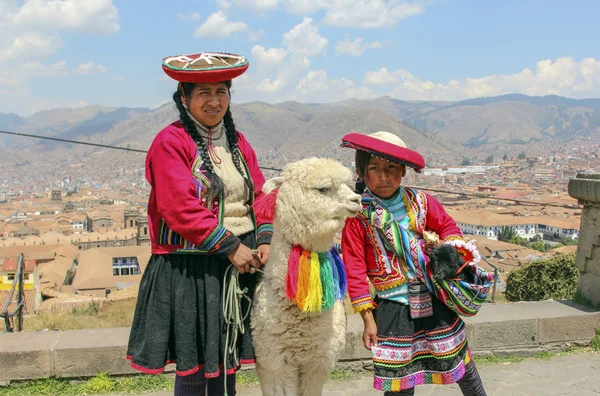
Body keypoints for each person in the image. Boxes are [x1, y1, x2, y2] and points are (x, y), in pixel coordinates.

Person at [127, 52, 272, 396]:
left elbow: (261, 195)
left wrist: (264, 238)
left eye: (221, 92)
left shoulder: (237, 143)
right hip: (191, 268)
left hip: (238, 266)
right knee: (194, 366)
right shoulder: (170, 142)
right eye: (203, 93)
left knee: (227, 357)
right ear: (184, 98)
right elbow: (178, 206)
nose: (214, 101)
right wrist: (231, 246)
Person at [340, 131, 487, 396]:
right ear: (362, 172)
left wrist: (442, 248)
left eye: (392, 167)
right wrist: (368, 319)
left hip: (433, 300)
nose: (384, 176)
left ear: (403, 171)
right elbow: (355, 269)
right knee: (400, 381)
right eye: (374, 168)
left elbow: (449, 227)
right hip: (393, 308)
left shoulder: (421, 203)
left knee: (462, 367)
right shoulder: (358, 217)